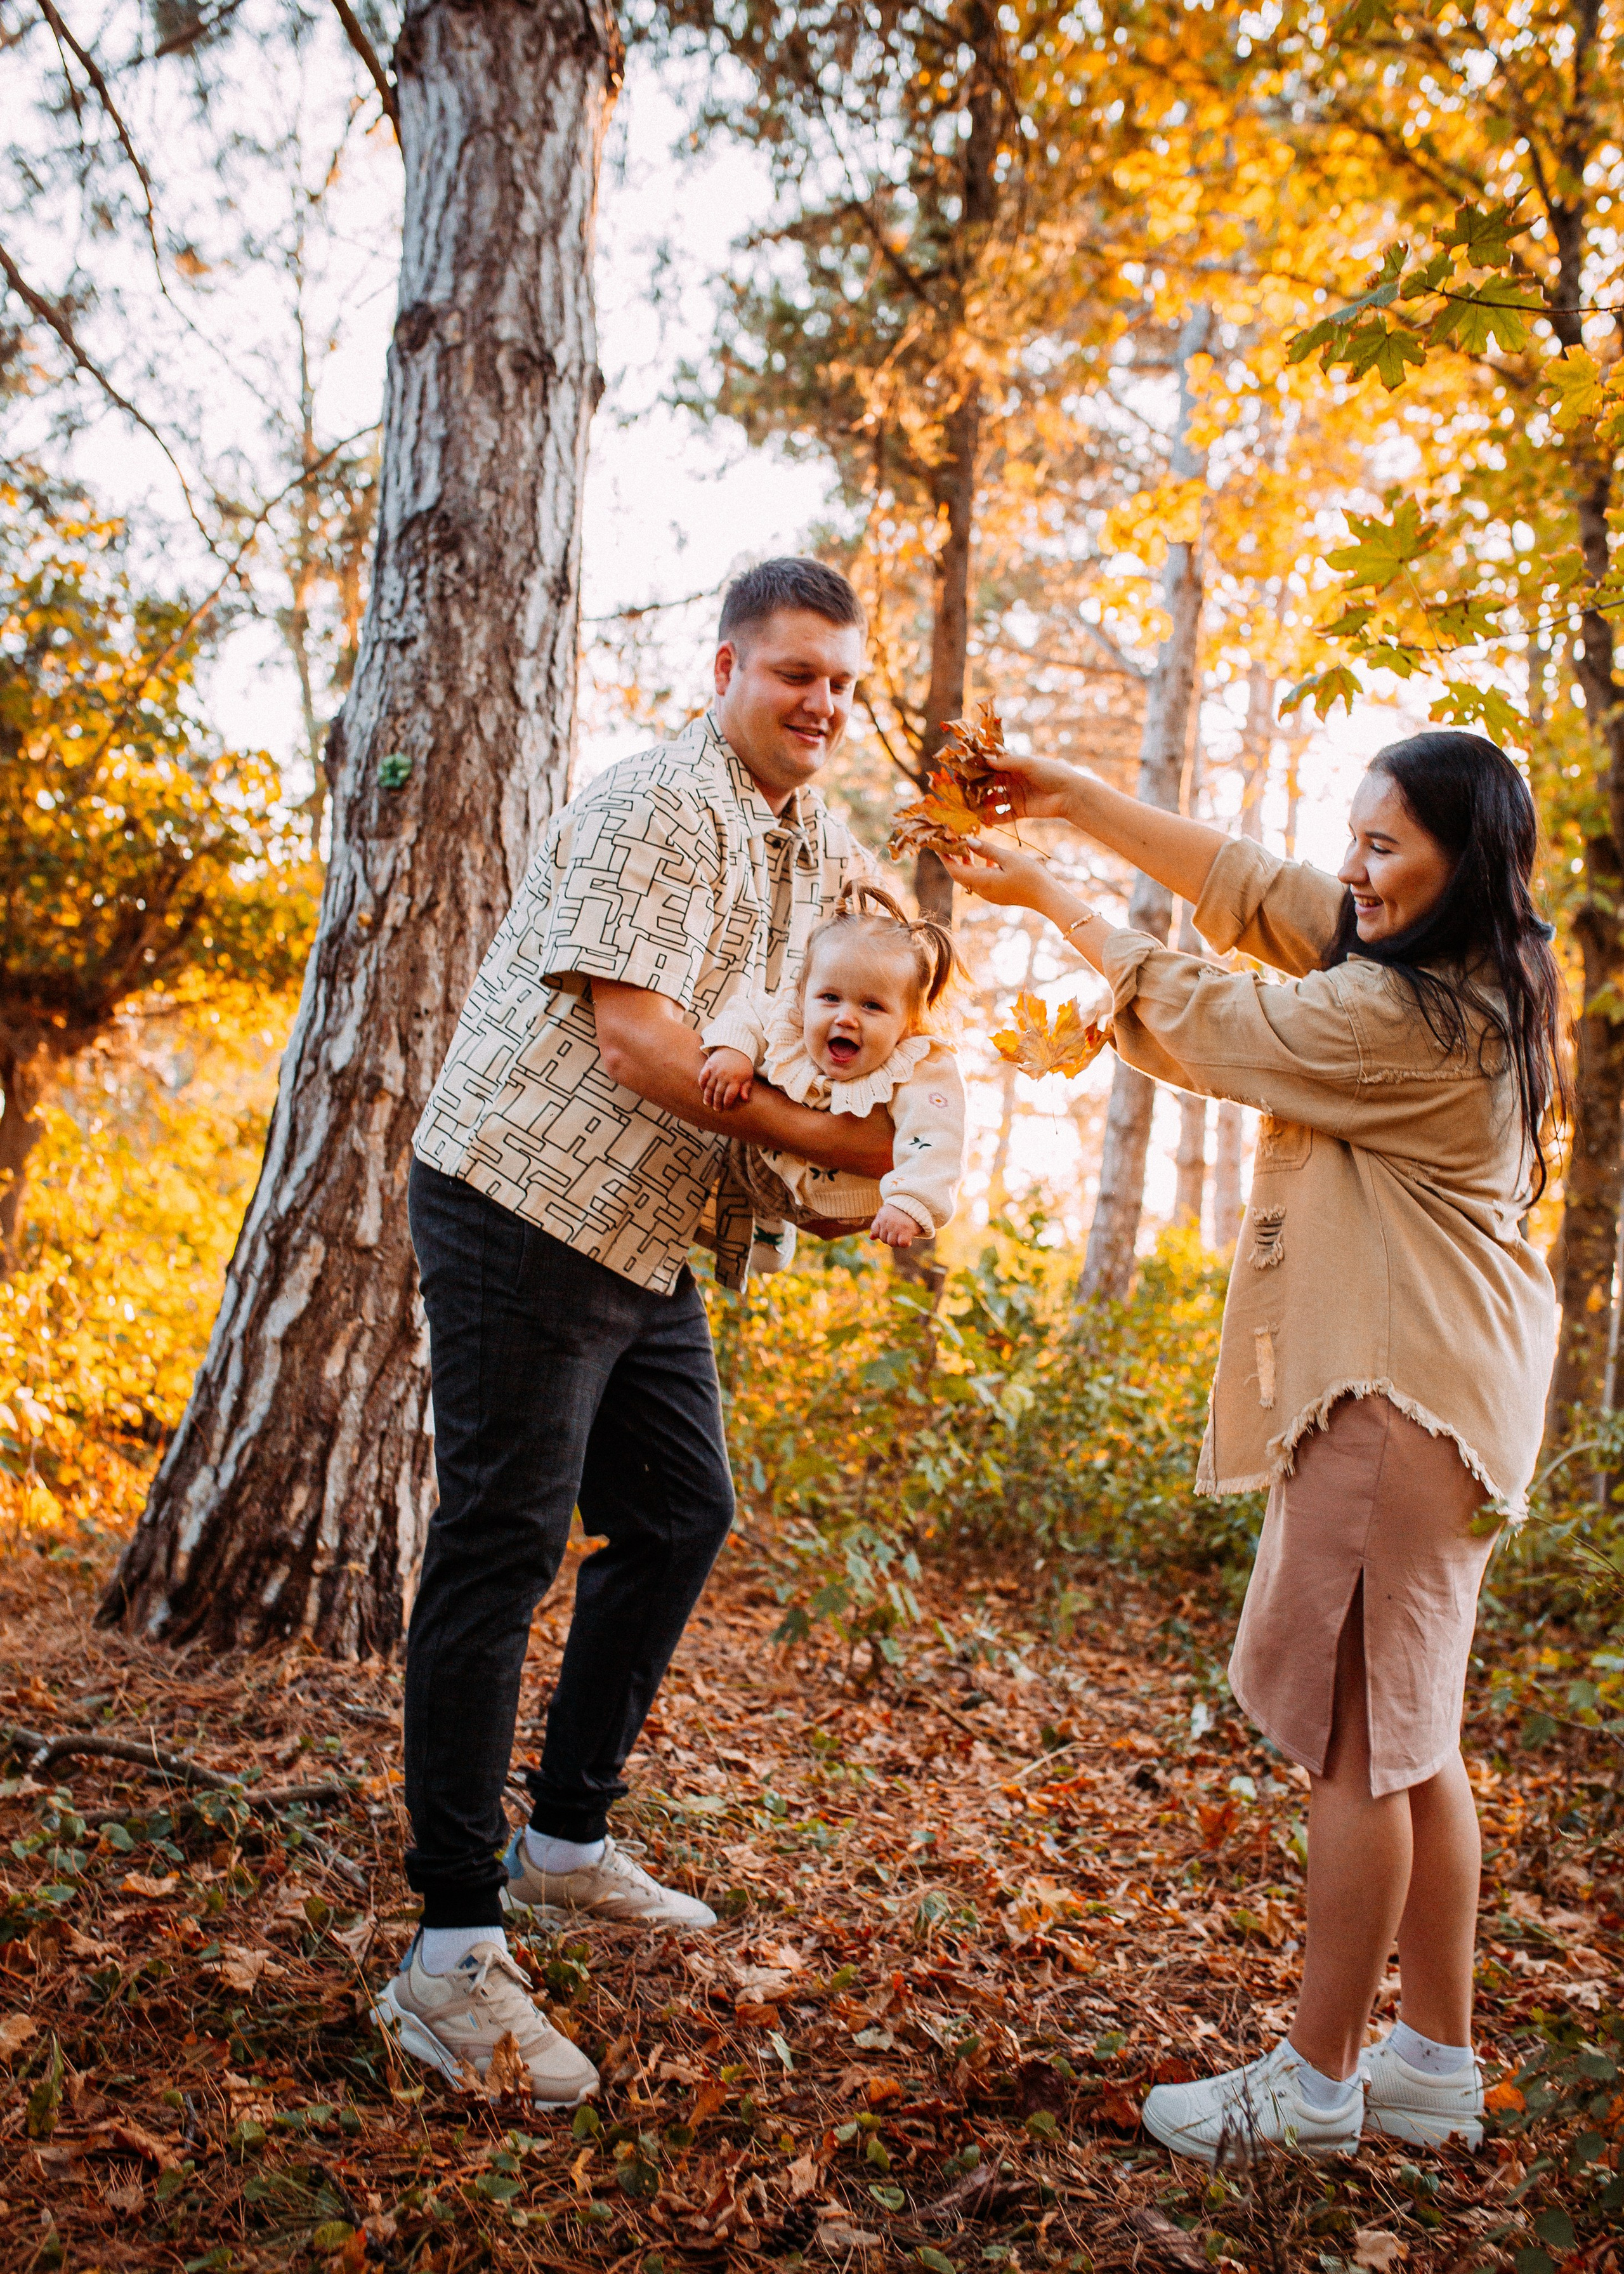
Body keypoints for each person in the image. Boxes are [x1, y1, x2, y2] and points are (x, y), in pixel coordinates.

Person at [945, 730, 1564, 2161]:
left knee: (1357, 1747)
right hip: (1450, 1395)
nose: (1350, 868)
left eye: (1381, 845)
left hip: (1389, 1390)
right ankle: (1429, 2065)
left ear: (1453, 865)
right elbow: (1253, 891)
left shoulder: (1407, 1020)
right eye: (1350, 834)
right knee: (1414, 1743)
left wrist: (1046, 893)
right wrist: (1074, 797)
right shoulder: (1456, 969)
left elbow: (1212, 1022)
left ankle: (1315, 2084)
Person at [374, 558, 893, 2106]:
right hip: (521, 1198)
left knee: (679, 1514)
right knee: (501, 1543)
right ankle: (449, 1958)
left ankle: (564, 1844)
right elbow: (639, 1038)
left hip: (645, 1229)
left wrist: (908, 1120)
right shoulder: (652, 803)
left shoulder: (814, 841)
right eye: (796, 673)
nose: (822, 704)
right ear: (725, 668)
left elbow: (881, 981)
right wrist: (849, 1146)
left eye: (842, 685)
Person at [698, 880, 966, 1258]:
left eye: (872, 1006)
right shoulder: (788, 1018)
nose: (846, 1018)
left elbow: (938, 1137)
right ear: (803, 995)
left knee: (922, 1136)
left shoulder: (921, 1065)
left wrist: (909, 1202)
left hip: (846, 1201)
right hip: (767, 1165)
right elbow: (748, 1011)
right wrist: (734, 1051)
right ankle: (761, 1216)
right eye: (829, 997)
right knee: (733, 1122)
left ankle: (773, 1224)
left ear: (909, 1023)